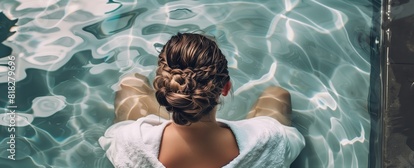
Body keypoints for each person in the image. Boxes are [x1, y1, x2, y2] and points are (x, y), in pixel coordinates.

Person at [99, 33, 305, 168]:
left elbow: (111, 139)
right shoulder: (268, 141)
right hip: (255, 138)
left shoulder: (130, 143)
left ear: (163, 88)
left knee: (131, 82)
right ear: (226, 88)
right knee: (277, 94)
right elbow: (294, 142)